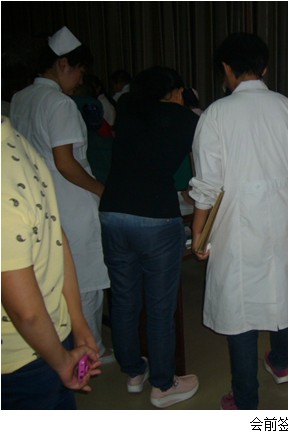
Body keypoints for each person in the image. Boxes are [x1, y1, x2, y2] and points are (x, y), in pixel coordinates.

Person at [190, 33, 288, 410]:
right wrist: (287, 213)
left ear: (226, 69)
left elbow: (207, 184)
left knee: (240, 312)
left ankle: (246, 401)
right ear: (265, 68)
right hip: (284, 220)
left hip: (235, 228)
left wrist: (199, 231)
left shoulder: (216, 114)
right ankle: (281, 363)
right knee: (282, 293)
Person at [9, 26, 112, 364]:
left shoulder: (21, 98)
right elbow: (66, 163)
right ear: (63, 64)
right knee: (86, 282)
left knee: (51, 279)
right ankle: (91, 350)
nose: (81, 79)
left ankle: (61, 345)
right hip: (71, 201)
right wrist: (102, 190)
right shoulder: (59, 103)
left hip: (37, 200)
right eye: (80, 70)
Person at [99, 66, 199, 408]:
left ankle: (133, 372)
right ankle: (163, 384)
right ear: (176, 92)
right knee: (159, 307)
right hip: (156, 217)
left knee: (124, 298)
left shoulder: (127, 108)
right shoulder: (184, 118)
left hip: (112, 212)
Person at [2, 116, 101, 409]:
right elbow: (56, 237)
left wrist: (65, 350)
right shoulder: (13, 141)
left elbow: (27, 313)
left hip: (31, 347)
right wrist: (75, 328)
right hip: (37, 344)